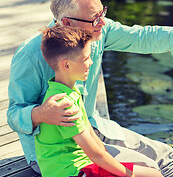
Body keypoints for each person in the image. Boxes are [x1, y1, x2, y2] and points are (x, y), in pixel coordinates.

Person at [7, 0, 173, 176]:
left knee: (167, 157)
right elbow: (14, 114)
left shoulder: (98, 30)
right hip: (55, 155)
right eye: (94, 18)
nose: (102, 23)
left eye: (102, 13)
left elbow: (142, 37)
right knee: (148, 167)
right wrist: (41, 114)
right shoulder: (30, 55)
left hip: (92, 128)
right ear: (67, 22)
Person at [36, 25, 162, 177]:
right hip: (71, 172)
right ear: (66, 65)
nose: (90, 62)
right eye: (86, 58)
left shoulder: (69, 90)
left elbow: (92, 136)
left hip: (81, 165)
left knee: (152, 173)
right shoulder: (64, 104)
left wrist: (116, 165)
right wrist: (129, 175)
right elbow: (95, 154)